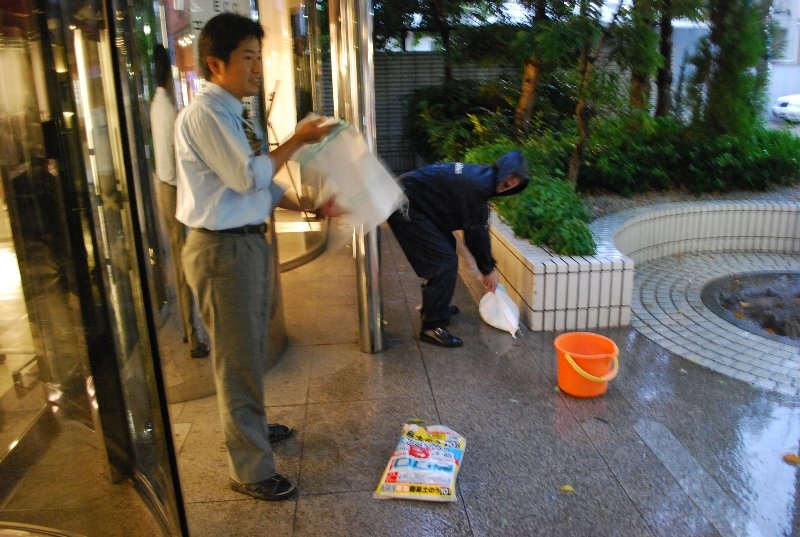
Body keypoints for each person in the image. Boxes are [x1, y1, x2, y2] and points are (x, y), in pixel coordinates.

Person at [175, 12, 339, 502]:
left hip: (242, 244)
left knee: (246, 351)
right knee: (236, 358)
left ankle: (254, 430)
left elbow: (260, 183)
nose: (256, 68)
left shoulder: (232, 112)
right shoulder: (205, 114)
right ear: (215, 63)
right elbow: (246, 177)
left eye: (256, 57)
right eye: (246, 58)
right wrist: (298, 141)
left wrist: (303, 204)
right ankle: (249, 469)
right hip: (221, 251)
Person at [387, 150, 529, 348]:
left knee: (446, 249)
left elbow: (476, 229)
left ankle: (435, 306)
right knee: (443, 263)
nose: (511, 183)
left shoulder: (483, 177)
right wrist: (487, 269)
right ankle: (431, 325)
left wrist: (484, 267)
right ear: (502, 169)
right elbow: (476, 234)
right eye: (511, 176)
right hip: (404, 206)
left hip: (416, 202)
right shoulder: (478, 186)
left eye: (517, 181)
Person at [150, 43, 209, 359]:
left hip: (168, 186)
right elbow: (170, 167)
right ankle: (194, 333)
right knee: (184, 260)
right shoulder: (164, 108)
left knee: (182, 258)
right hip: (171, 189)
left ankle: (193, 330)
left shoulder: (162, 105)